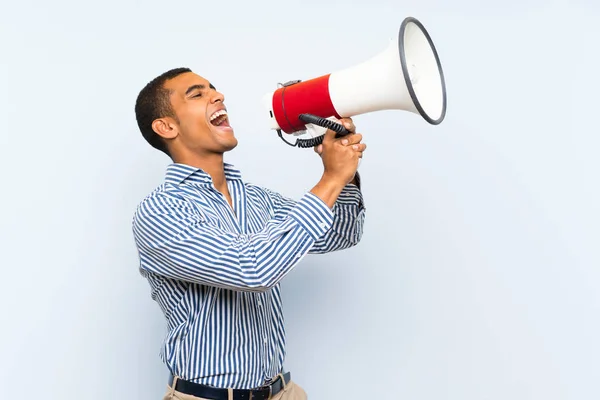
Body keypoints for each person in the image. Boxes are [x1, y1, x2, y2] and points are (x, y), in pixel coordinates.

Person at [132, 67, 367, 400]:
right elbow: (253, 269)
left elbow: (341, 233)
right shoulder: (160, 213)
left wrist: (346, 174)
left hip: (281, 392)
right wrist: (329, 179)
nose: (218, 95)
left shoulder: (258, 200)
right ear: (166, 126)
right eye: (197, 94)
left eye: (214, 89)